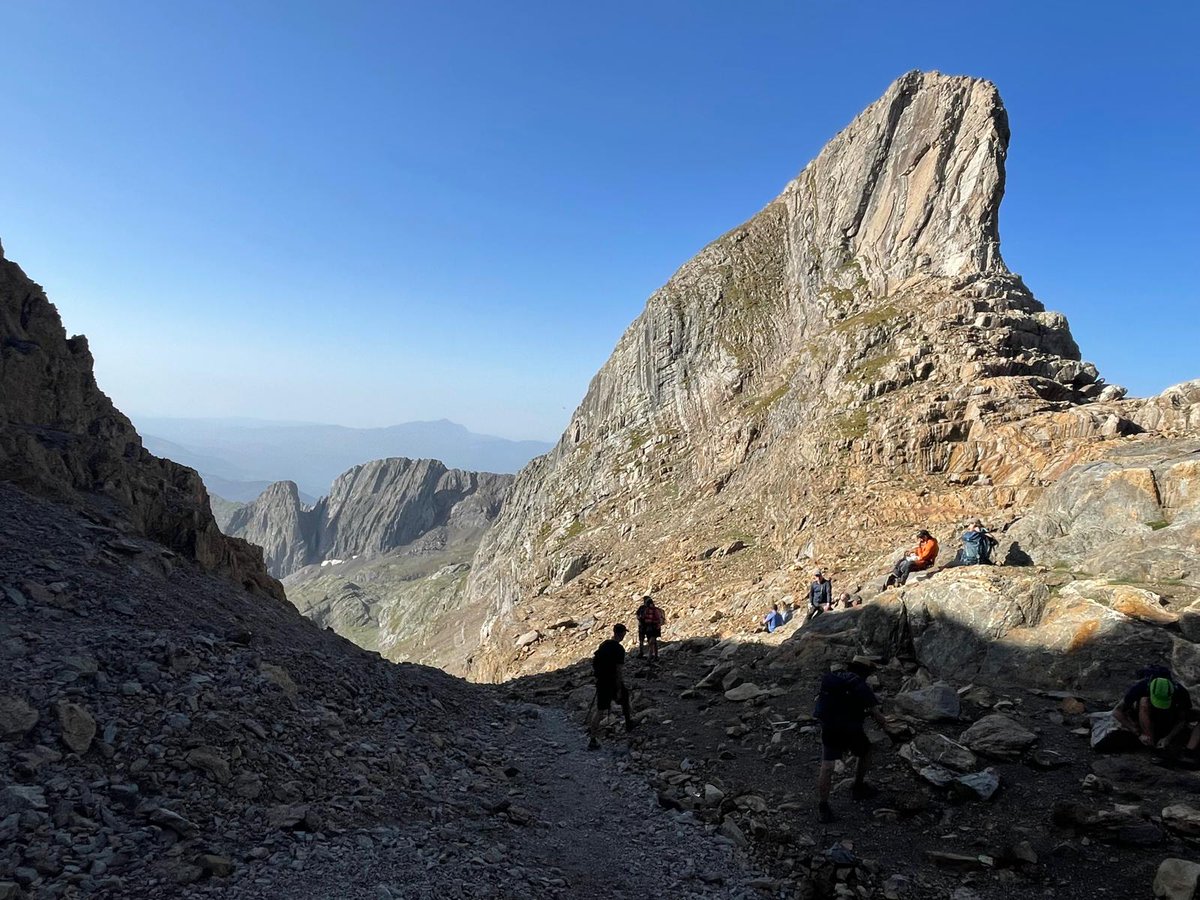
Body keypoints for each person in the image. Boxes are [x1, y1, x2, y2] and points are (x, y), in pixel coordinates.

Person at [813, 660, 888, 823]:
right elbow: (878, 716)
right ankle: (858, 787)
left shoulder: (832, 679)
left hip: (830, 726)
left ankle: (823, 806)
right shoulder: (860, 684)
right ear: (865, 671)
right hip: (851, 729)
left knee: (827, 765)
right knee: (866, 751)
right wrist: (886, 724)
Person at [1112, 671, 1200, 761]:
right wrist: (1138, 733)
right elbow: (1117, 711)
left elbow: (1182, 719)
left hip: (1169, 716)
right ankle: (1151, 745)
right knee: (1144, 702)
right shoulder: (1141, 687)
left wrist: (1168, 738)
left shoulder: (1180, 691)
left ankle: (1189, 752)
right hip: (1144, 716)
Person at [587, 624, 635, 749]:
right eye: (624, 633)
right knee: (624, 698)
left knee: (599, 709)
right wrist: (619, 687)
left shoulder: (604, 645)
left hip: (602, 681)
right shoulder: (619, 649)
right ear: (621, 633)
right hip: (612, 681)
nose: (625, 635)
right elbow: (619, 670)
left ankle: (592, 738)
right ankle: (629, 725)